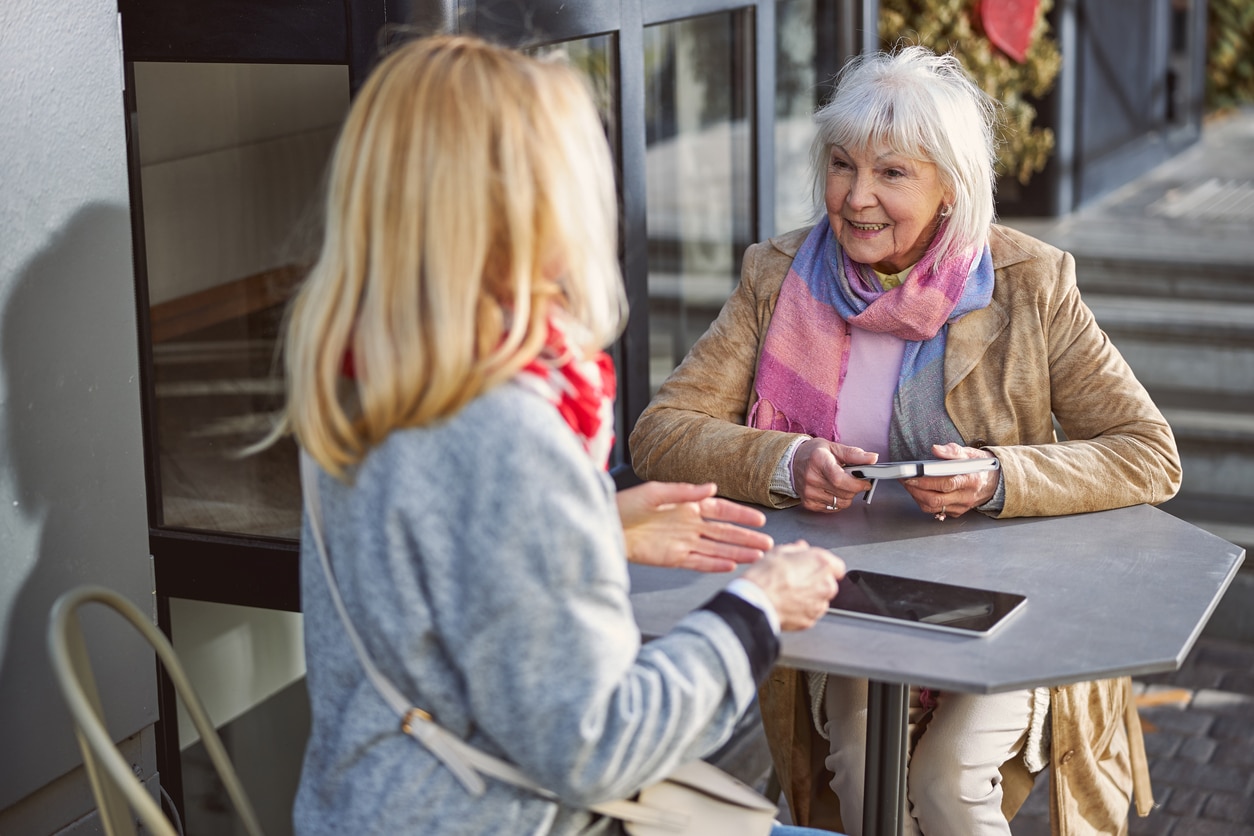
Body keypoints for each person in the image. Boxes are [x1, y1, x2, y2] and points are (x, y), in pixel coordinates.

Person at [267, 34, 849, 835]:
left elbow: (427, 590)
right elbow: (596, 746)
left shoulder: (366, 379)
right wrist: (759, 606)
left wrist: (593, 529)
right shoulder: (506, 430)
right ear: (526, 209)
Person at [629, 45, 1181, 835]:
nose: (856, 198)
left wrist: (998, 476)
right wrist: (785, 462)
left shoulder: (1030, 281)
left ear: (951, 187)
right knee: (860, 768)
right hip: (846, 593)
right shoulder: (778, 273)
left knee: (948, 781)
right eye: (843, 165)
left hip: (1007, 599)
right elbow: (662, 434)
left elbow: (1147, 451)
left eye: (892, 174)